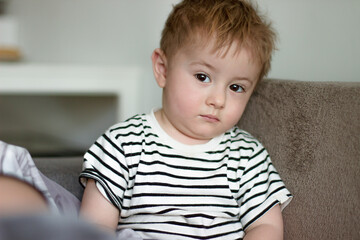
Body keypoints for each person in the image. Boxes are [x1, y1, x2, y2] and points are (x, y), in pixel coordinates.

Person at [79, 0, 292, 239]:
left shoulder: (247, 156)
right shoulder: (122, 144)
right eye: (203, 76)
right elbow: (94, 228)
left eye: (236, 87)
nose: (218, 99)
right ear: (163, 69)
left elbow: (266, 227)